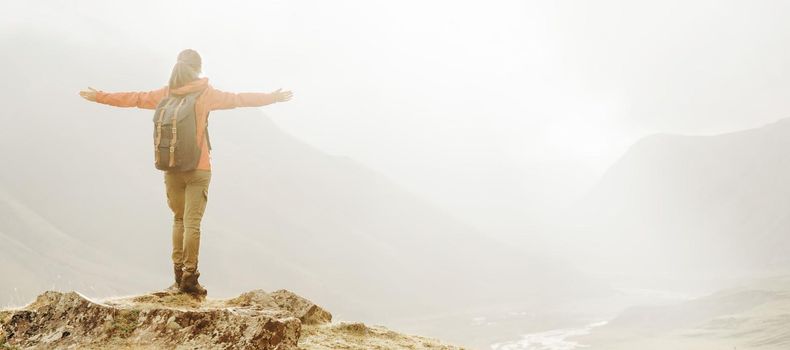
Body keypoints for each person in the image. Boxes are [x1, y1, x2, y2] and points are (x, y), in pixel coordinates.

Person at [79, 49, 293, 296]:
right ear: (198, 68)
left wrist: (99, 96)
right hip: (198, 167)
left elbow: (135, 98)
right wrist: (272, 98)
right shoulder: (206, 94)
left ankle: (178, 276)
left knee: (178, 220)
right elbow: (238, 99)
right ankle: (190, 279)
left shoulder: (165, 94)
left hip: (171, 167)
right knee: (193, 223)